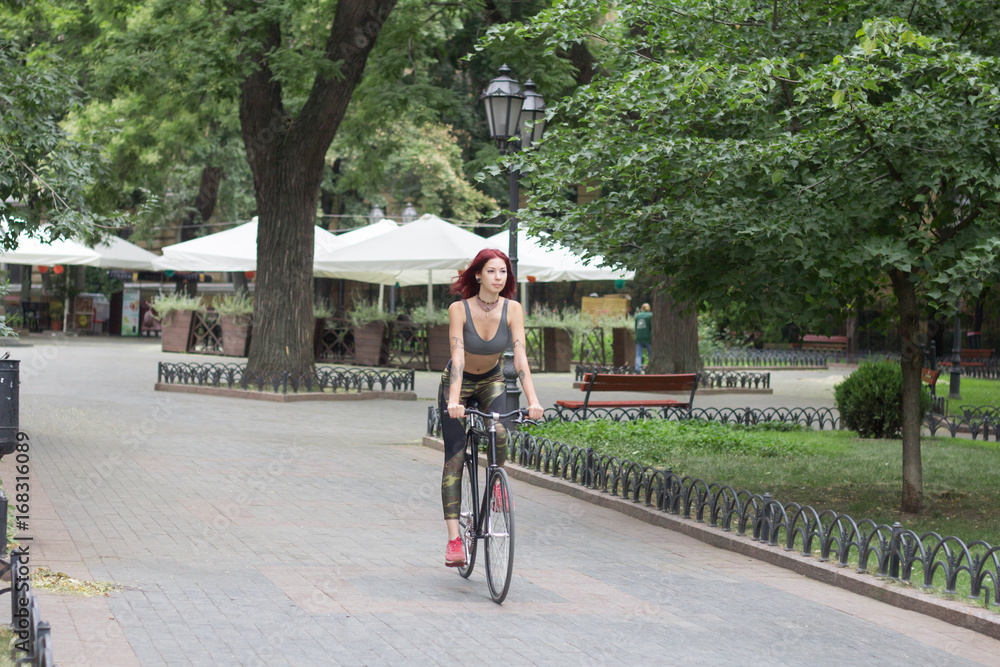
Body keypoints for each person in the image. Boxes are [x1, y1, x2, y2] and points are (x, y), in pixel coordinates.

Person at [439, 248, 544, 567]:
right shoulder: (459, 309)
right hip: (458, 382)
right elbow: (457, 357)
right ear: (478, 274)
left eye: (503, 272)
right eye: (492, 271)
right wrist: (454, 400)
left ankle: (497, 480)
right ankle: (454, 540)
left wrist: (534, 400)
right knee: (455, 458)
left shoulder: (513, 309)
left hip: (492, 381)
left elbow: (521, 357)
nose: (499, 277)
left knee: (499, 429)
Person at [634, 302, 652, 370]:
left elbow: (636, 328)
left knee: (638, 354)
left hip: (639, 338)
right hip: (648, 337)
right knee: (650, 354)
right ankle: (650, 367)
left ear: (642, 308)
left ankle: (637, 369)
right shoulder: (650, 315)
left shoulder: (637, 316)